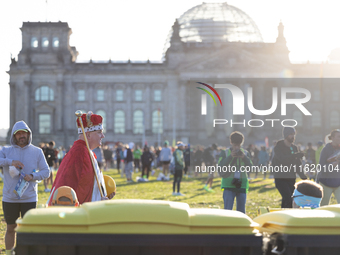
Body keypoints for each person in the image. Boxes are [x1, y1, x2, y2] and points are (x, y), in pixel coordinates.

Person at [0, 120, 50, 255]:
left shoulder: (37, 151)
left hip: (29, 197)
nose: (21, 135)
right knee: (11, 228)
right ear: (14, 136)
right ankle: (9, 253)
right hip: (10, 198)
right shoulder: (5, 150)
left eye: (24, 133)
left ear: (29, 135)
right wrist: (11, 162)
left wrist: (33, 176)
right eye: (18, 133)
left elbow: (46, 172)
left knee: (29, 229)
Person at [49, 112, 115, 205]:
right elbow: (68, 189)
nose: (103, 136)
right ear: (88, 135)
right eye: (99, 132)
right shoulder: (79, 153)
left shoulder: (85, 152)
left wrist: (104, 194)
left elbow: (86, 185)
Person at [272, 127, 307, 208]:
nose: (293, 136)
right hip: (280, 179)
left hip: (291, 178)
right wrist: (295, 155)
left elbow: (298, 164)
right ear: (286, 135)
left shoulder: (294, 148)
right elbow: (282, 159)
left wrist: (303, 176)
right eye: (291, 134)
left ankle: (284, 216)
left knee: (288, 200)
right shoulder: (278, 147)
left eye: (294, 134)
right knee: (288, 198)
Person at [218, 131, 252, 214]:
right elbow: (220, 166)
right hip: (228, 184)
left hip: (242, 184)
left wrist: (244, 157)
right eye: (235, 145)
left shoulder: (246, 153)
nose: (237, 148)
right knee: (228, 211)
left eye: (239, 145)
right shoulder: (225, 153)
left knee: (241, 212)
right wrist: (230, 157)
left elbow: (251, 167)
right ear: (231, 142)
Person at [318, 129, 340, 206]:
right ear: (332, 138)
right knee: (323, 206)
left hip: (338, 183)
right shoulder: (325, 149)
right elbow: (320, 167)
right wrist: (331, 166)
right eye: (338, 137)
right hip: (325, 183)